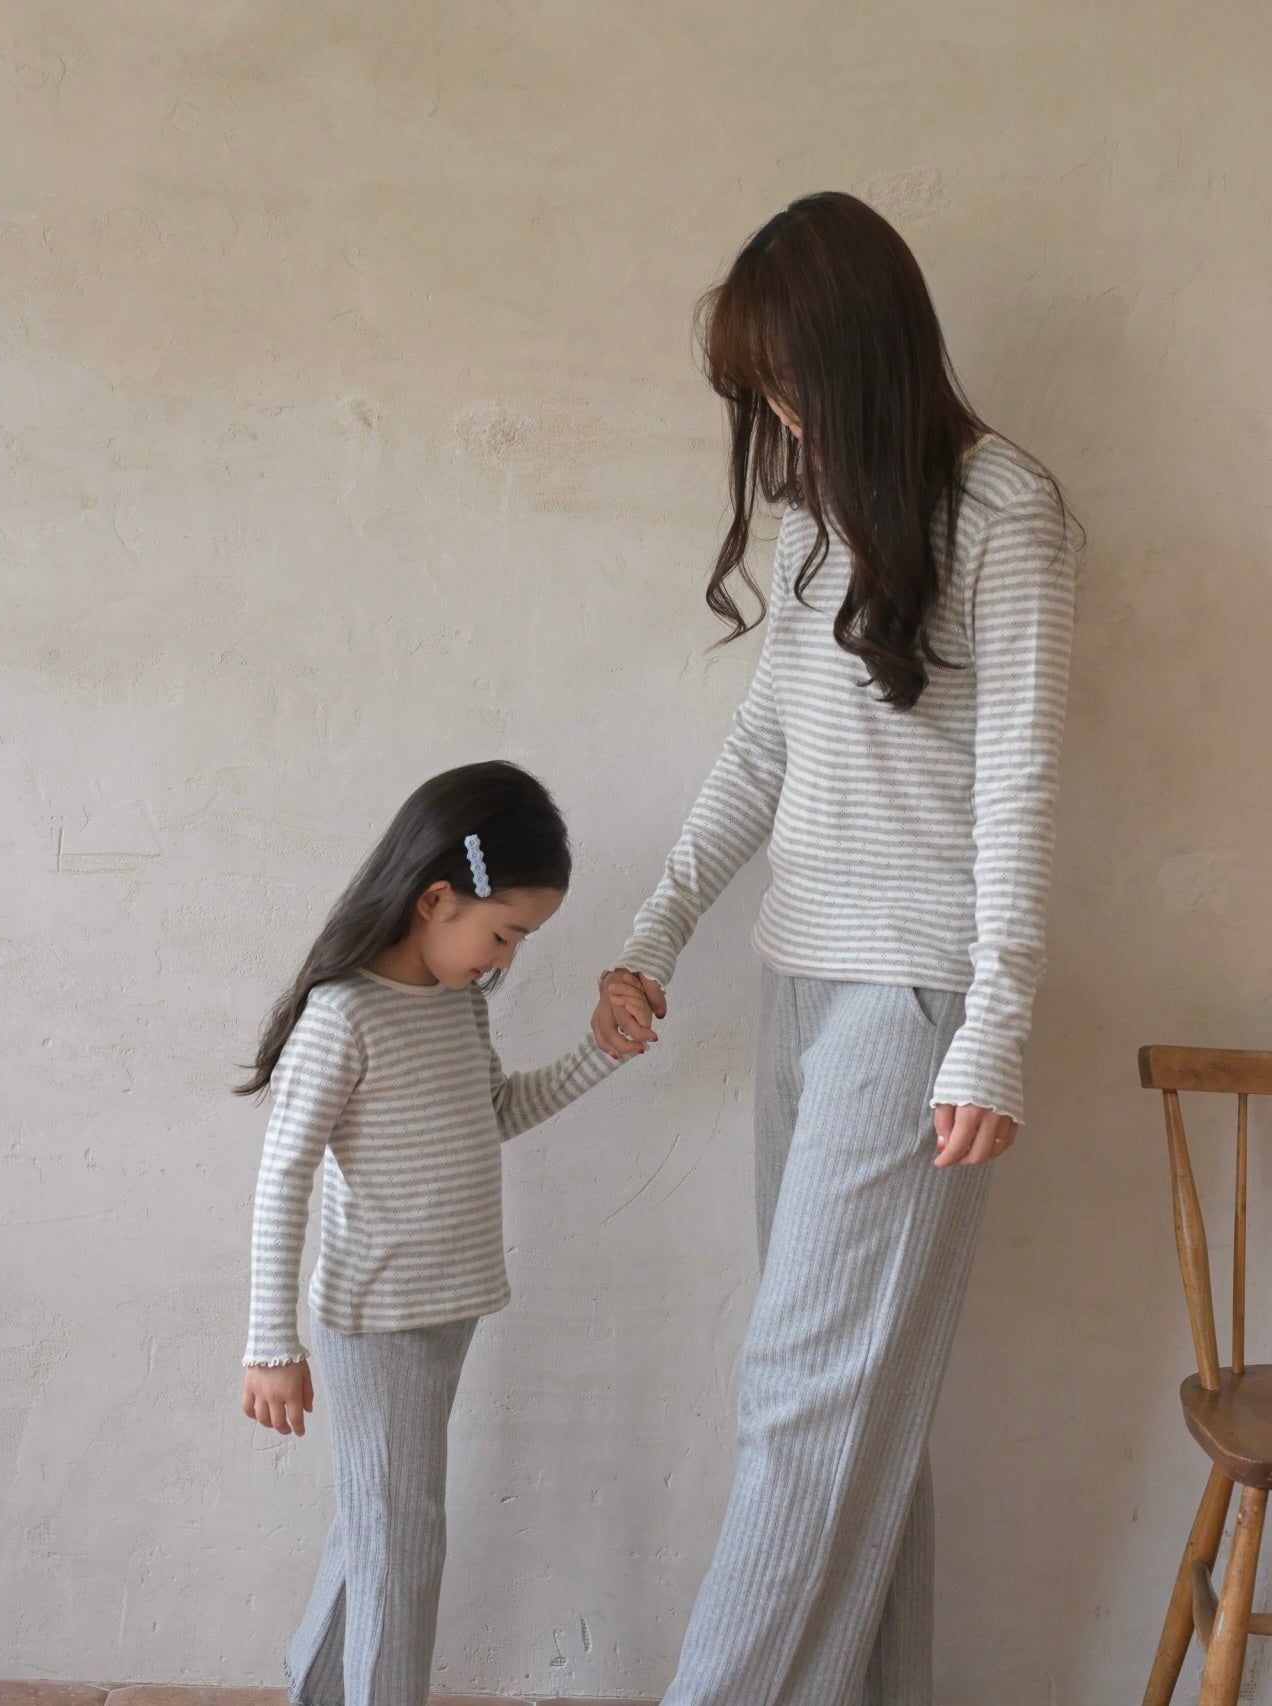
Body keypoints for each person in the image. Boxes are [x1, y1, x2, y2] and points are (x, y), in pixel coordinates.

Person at [593, 191, 1077, 1705]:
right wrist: (658, 931)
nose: (777, 415)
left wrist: (995, 1022)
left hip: (916, 1000)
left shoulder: (1006, 512)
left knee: (803, 1406)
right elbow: (764, 750)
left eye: (786, 379)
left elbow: (1020, 781)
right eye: (758, 392)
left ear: (860, 349)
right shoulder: (815, 515)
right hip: (798, 978)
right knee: (854, 1414)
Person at [238, 760, 648, 1706]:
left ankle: (316, 1688)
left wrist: (602, 1051)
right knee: (403, 1544)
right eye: (504, 933)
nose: (505, 961)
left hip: (448, 1305)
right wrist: (270, 1344)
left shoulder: (457, 1004)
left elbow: (493, 1112)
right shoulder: (344, 1017)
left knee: (379, 1524)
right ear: (435, 899)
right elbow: (282, 1179)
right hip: (378, 1318)